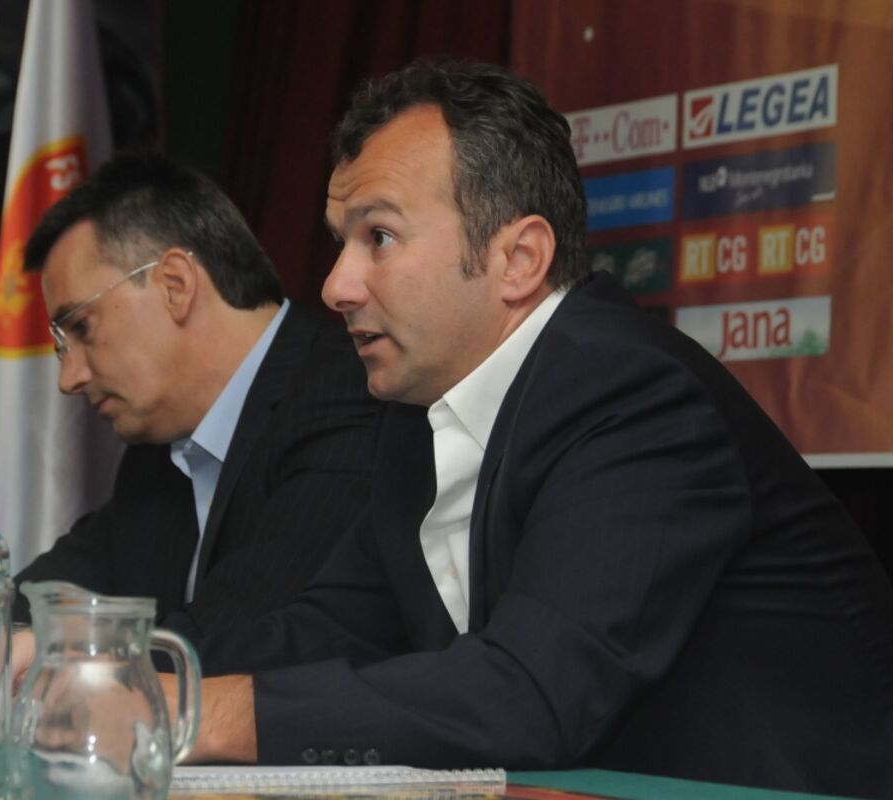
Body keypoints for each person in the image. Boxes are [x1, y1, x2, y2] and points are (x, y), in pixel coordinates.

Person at [178, 60, 893, 798]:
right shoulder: (419, 416)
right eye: (340, 242)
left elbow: (535, 691)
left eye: (379, 237)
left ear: (518, 259)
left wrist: (212, 717)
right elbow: (329, 628)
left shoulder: (629, 392)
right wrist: (133, 676)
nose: (335, 286)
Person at [0, 152, 377, 678]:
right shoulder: (158, 451)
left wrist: (54, 651)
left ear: (175, 284)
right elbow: (73, 580)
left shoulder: (345, 397)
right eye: (61, 346)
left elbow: (240, 641)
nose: (69, 379)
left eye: (82, 328)